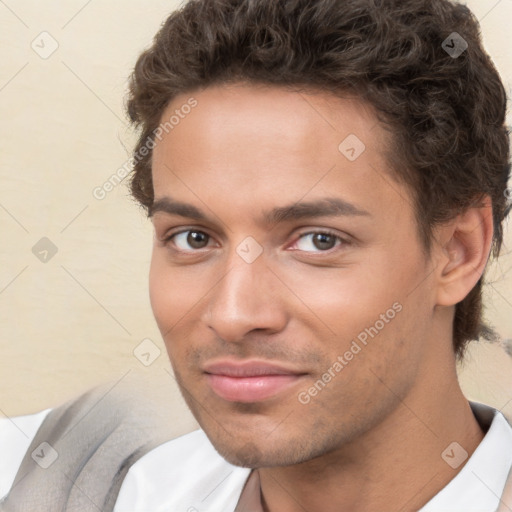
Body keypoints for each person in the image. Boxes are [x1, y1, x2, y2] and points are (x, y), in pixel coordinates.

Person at [1, 0, 512, 510]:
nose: (233, 314)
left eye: (318, 240)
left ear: (458, 252)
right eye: (193, 238)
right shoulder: (57, 480)